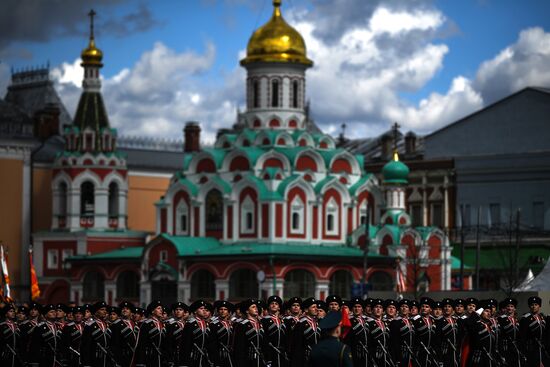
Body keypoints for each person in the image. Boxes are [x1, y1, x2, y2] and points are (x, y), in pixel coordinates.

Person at [180, 300, 213, 367]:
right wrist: (184, 362)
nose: (204, 310)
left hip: (205, 357)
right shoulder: (190, 324)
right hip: (194, 356)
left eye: (204, 309)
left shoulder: (207, 323)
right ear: (195, 311)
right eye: (201, 309)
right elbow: (186, 344)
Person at [80, 301, 113, 367]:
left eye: (105, 310)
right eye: (102, 309)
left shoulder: (108, 324)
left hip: (106, 358)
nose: (105, 311)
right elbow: (86, 346)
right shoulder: (90, 325)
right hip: (94, 357)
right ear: (96, 311)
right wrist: (87, 364)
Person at [134, 300, 166, 367]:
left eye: (161, 308)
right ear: (152, 311)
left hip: (161, 357)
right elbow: (141, 344)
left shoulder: (162, 324)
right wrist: (141, 362)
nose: (161, 310)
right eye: (158, 308)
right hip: (150, 356)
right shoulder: (146, 324)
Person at [234, 299, 264, 367]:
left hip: (260, 358)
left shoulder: (260, 324)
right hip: (248, 359)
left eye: (256, 307)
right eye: (253, 307)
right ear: (247, 311)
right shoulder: (242, 325)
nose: (256, 309)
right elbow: (239, 347)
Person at [290, 297, 320, 367]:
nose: (316, 309)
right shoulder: (301, 323)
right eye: (313, 307)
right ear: (306, 310)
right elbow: (297, 345)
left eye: (316, 307)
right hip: (305, 359)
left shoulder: (318, 323)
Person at [519, 296, 547, 367]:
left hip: (542, 349)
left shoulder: (542, 317)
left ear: (539, 306)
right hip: (531, 349)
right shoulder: (525, 318)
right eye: (532, 305)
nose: (533, 307)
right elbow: (523, 337)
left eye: (536, 304)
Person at [261, 295, 288, 367]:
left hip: (282, 353)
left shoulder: (283, 321)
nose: (274, 305)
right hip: (270, 352)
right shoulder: (264, 320)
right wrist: (267, 356)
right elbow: (264, 339)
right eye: (272, 303)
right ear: (268, 306)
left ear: (279, 307)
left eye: (276, 304)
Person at [344, 297, 370, 367]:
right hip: (355, 351)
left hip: (366, 352)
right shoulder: (349, 321)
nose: (357, 308)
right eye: (355, 307)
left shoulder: (367, 321)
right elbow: (347, 340)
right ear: (352, 308)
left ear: (362, 308)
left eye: (359, 307)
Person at [209, 300, 234, 367]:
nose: (223, 311)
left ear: (228, 312)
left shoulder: (233, 324)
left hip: (230, 354)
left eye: (225, 309)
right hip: (219, 354)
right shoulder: (213, 325)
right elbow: (212, 343)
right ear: (218, 311)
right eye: (221, 309)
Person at [164, 302, 187, 367]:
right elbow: (168, 343)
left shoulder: (188, 324)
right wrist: (169, 358)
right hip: (175, 354)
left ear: (184, 312)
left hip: (186, 354)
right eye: (176, 310)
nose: (178, 311)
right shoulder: (170, 325)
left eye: (180, 310)